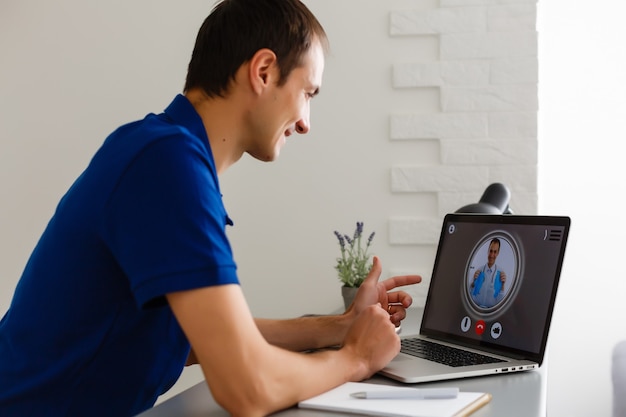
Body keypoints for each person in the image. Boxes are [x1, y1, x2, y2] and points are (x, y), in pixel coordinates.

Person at [0, 1, 422, 416]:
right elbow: (246, 387)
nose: (306, 121)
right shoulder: (167, 164)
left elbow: (203, 339)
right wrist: (357, 359)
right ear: (263, 72)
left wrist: (341, 326)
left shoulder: (162, 150)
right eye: (307, 93)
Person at [470, 238, 507, 308]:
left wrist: (503, 285)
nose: (492, 255)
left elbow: (500, 302)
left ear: (498, 253)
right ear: (488, 251)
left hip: (490, 313)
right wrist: (472, 283)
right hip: (476, 309)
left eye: (495, 252)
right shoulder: (479, 271)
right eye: (491, 251)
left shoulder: (501, 274)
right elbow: (470, 294)